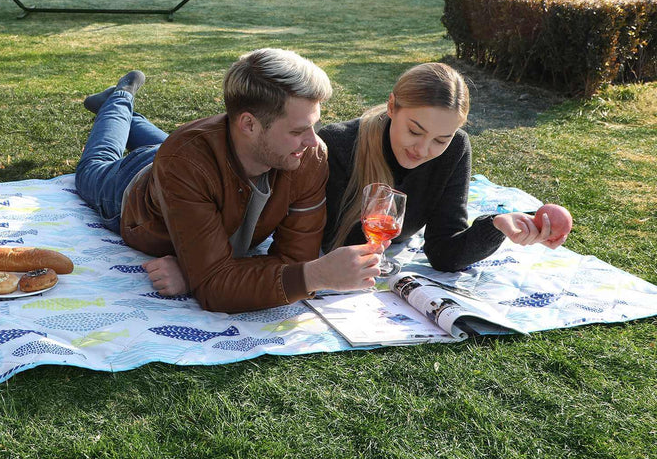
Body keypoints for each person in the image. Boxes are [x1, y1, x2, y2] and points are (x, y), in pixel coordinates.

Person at [75, 49, 381, 313]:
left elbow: (292, 260)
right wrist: (313, 276)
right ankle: (117, 99)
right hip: (135, 188)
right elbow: (216, 288)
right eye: (297, 130)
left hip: (191, 160)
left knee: (176, 149)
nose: (313, 141)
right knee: (94, 166)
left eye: (314, 125)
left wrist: (196, 270)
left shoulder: (306, 156)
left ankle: (131, 117)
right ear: (248, 123)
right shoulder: (185, 162)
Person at [319, 62, 571, 272]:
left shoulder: (455, 148)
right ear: (392, 106)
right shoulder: (339, 144)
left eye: (441, 139)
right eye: (414, 131)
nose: (423, 149)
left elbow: (445, 253)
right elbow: (337, 243)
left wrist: (496, 226)